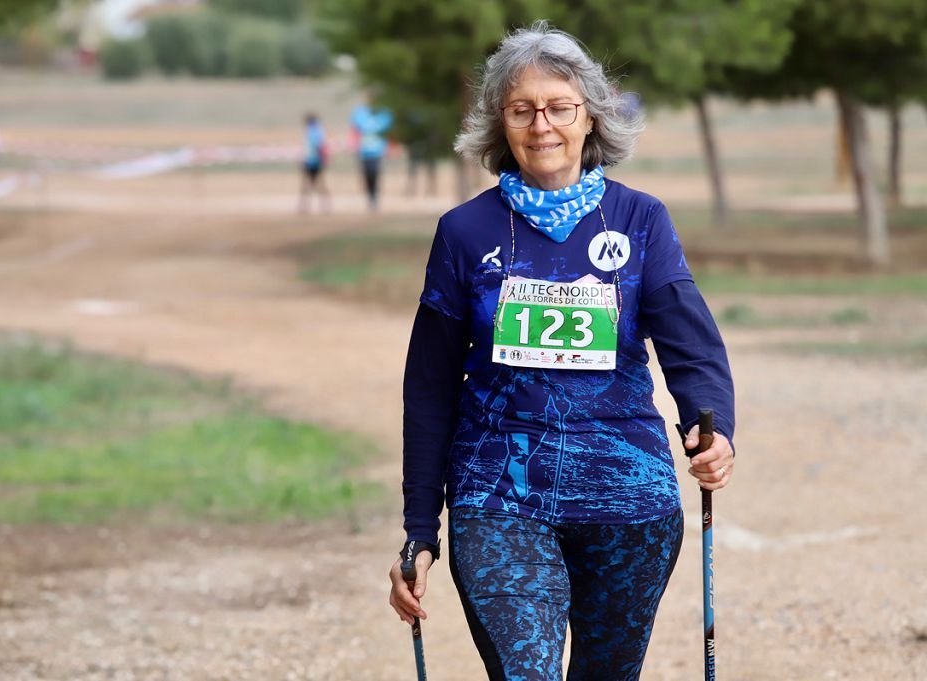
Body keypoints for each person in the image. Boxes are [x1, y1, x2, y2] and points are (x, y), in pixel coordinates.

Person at [388, 22, 735, 681]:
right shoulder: (464, 233)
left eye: (559, 107)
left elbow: (690, 345)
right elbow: (430, 385)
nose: (541, 124)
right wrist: (419, 527)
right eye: (521, 109)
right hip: (498, 499)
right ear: (500, 122)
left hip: (628, 500)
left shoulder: (640, 220)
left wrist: (712, 424)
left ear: (590, 117)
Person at [350, 99, 393, 210]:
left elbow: (388, 128)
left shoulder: (382, 117)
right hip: (364, 152)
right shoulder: (361, 116)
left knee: (375, 173)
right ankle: (370, 196)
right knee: (367, 175)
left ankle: (374, 197)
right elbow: (355, 128)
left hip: (377, 152)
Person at [299, 113, 331, 213]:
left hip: (313, 160)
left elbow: (318, 146)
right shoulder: (318, 130)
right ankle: (324, 206)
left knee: (309, 184)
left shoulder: (312, 131)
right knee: (318, 184)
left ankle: (305, 206)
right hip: (315, 160)